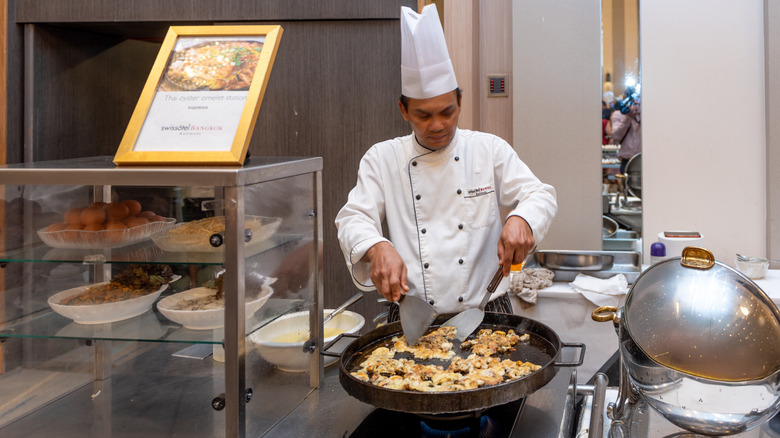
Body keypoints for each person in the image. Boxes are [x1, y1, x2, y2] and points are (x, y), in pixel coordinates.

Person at [335, 4, 557, 322]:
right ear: (403, 110)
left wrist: (521, 218)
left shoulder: (488, 149)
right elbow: (352, 218)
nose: (437, 125)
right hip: (413, 316)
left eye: (447, 112)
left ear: (460, 103)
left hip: (487, 310)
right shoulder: (383, 158)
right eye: (424, 115)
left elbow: (540, 195)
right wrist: (376, 246)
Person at [610, 89, 641, 174]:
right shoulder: (618, 115)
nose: (634, 104)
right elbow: (616, 136)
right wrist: (628, 117)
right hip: (627, 160)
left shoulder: (644, 114)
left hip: (645, 159)